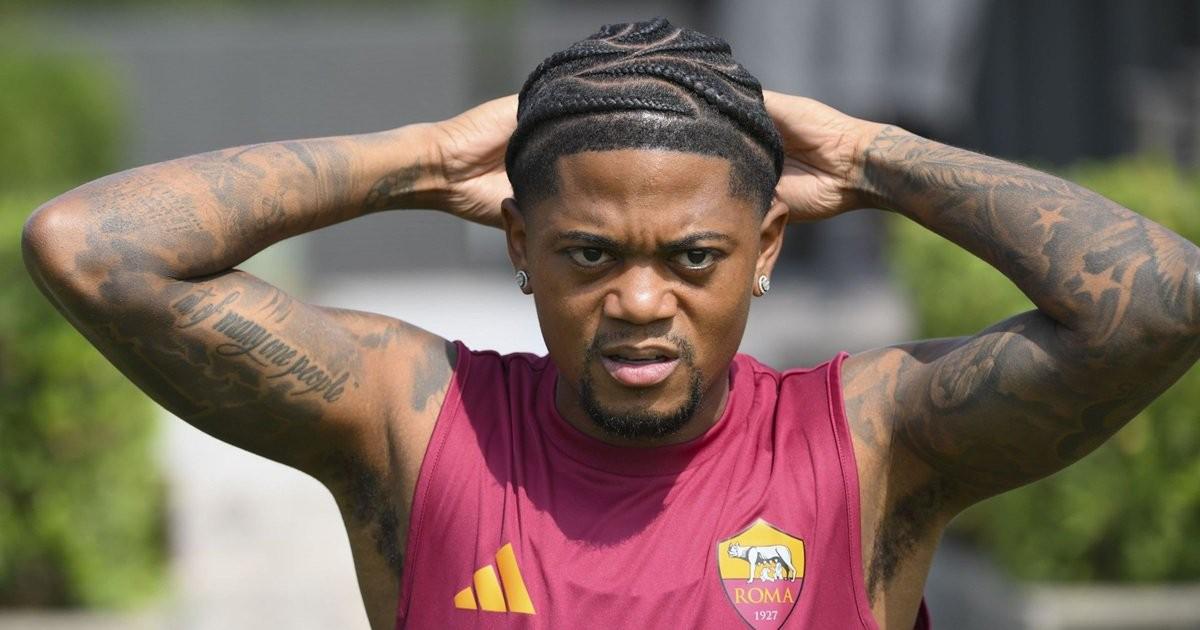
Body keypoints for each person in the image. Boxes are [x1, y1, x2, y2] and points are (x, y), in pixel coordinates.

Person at [19, 17, 1200, 630]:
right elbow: (90, 248)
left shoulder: (871, 443)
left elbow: (1159, 306)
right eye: (590, 255)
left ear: (766, 250)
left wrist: (875, 155)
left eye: (694, 258)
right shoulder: (416, 425)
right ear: (519, 246)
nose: (640, 302)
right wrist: (419, 156)